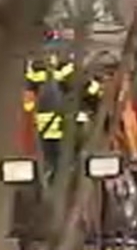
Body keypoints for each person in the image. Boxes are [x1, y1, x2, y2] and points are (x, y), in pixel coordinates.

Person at [24, 28, 103, 183]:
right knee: (76, 165)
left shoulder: (35, 68)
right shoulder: (68, 67)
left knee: (50, 163)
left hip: (44, 128)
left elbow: (28, 97)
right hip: (71, 126)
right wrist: (98, 95)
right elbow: (90, 91)